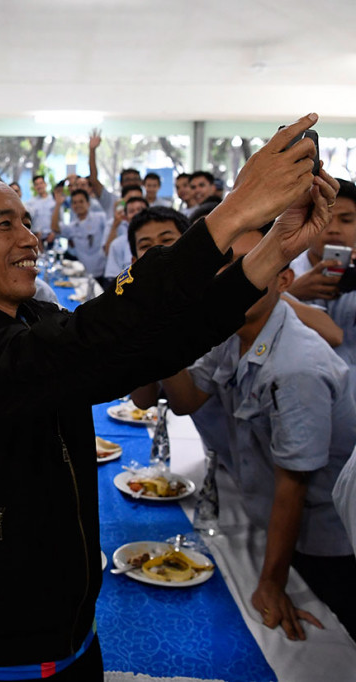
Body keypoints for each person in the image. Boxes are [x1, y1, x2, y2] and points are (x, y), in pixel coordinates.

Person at [0, 114, 336, 681]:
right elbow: (92, 337)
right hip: (1, 635)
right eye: (3, 225)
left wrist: (269, 253)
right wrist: (231, 214)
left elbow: (152, 348)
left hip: (72, 624)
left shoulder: (35, 314)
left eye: (27, 222)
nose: (29, 238)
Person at [161, 226, 356, 641]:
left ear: (284, 280)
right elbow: (186, 399)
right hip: (269, 516)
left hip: (322, 539)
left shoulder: (297, 366)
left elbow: (293, 485)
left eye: (252, 264)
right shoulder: (235, 334)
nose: (233, 277)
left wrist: (271, 582)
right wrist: (159, 336)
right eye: (226, 265)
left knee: (327, 639)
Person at [51, 188, 107, 277]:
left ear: (88, 203)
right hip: (82, 275)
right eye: (74, 202)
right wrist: (58, 204)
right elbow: (55, 228)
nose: (78, 205)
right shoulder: (72, 227)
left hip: (102, 272)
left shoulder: (101, 218)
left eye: (81, 201)